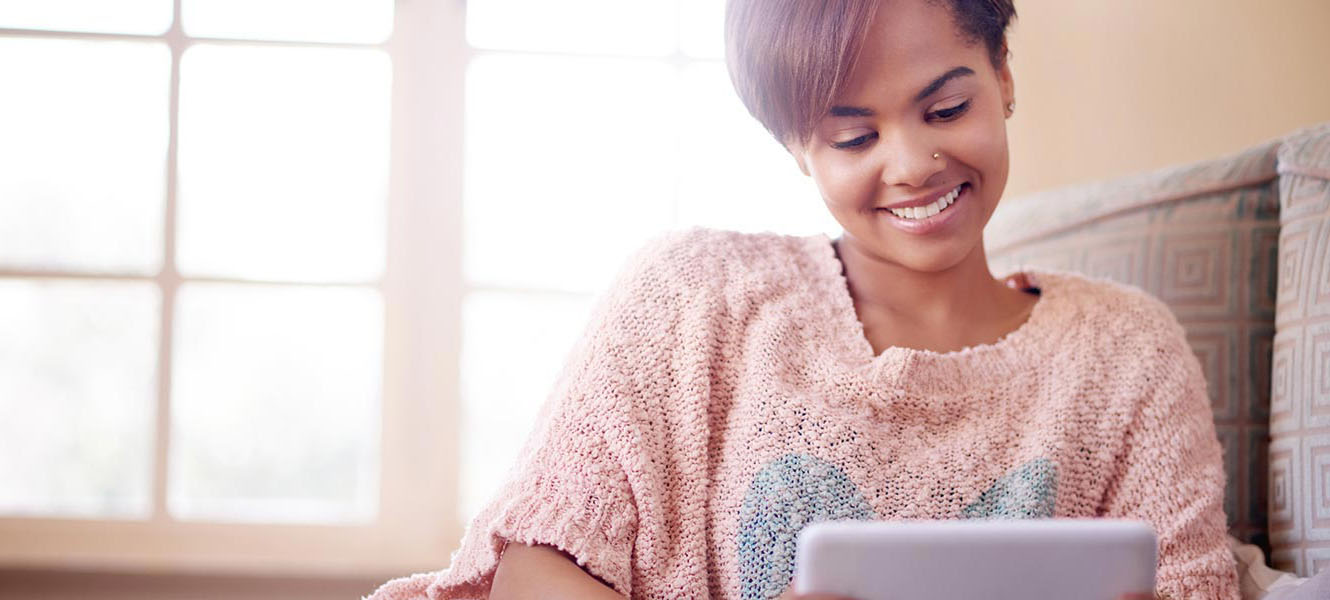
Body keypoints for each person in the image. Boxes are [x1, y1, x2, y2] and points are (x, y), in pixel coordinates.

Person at [367, 0, 1240, 598]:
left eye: (945, 109)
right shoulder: (691, 295)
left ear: (1002, 71)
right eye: (853, 135)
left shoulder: (1126, 350)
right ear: (795, 146)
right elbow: (535, 569)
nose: (909, 165)